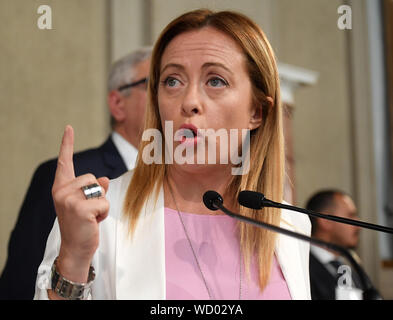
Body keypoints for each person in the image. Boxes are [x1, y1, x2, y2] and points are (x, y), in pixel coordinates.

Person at [34, 9, 311, 300]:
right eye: (172, 81)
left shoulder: (289, 224)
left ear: (257, 112)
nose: (189, 101)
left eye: (215, 81)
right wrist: (75, 258)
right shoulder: (102, 212)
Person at [0, 48, 151, 300]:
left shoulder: (188, 185)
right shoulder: (70, 177)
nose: (171, 96)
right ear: (117, 103)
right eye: (155, 84)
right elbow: (21, 282)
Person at [307, 189, 382, 299]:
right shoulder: (302, 266)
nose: (359, 226)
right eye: (350, 215)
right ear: (325, 221)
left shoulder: (351, 266)